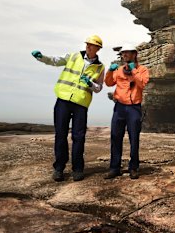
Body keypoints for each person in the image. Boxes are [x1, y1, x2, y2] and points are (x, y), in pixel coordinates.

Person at [31, 35, 105, 182]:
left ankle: (77, 169)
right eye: (87, 44)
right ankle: (59, 168)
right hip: (63, 100)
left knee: (79, 137)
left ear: (98, 48)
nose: (88, 46)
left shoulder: (100, 67)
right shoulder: (73, 56)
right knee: (60, 135)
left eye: (92, 45)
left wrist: (90, 83)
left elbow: (99, 88)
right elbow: (55, 60)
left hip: (81, 104)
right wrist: (41, 57)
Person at [104, 44, 150, 179]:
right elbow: (109, 83)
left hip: (134, 108)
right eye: (123, 53)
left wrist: (133, 71)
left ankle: (134, 167)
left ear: (134, 54)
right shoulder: (118, 70)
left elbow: (142, 84)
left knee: (134, 138)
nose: (124, 55)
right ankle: (114, 168)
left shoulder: (142, 69)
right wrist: (109, 71)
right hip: (119, 107)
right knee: (115, 137)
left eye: (127, 53)